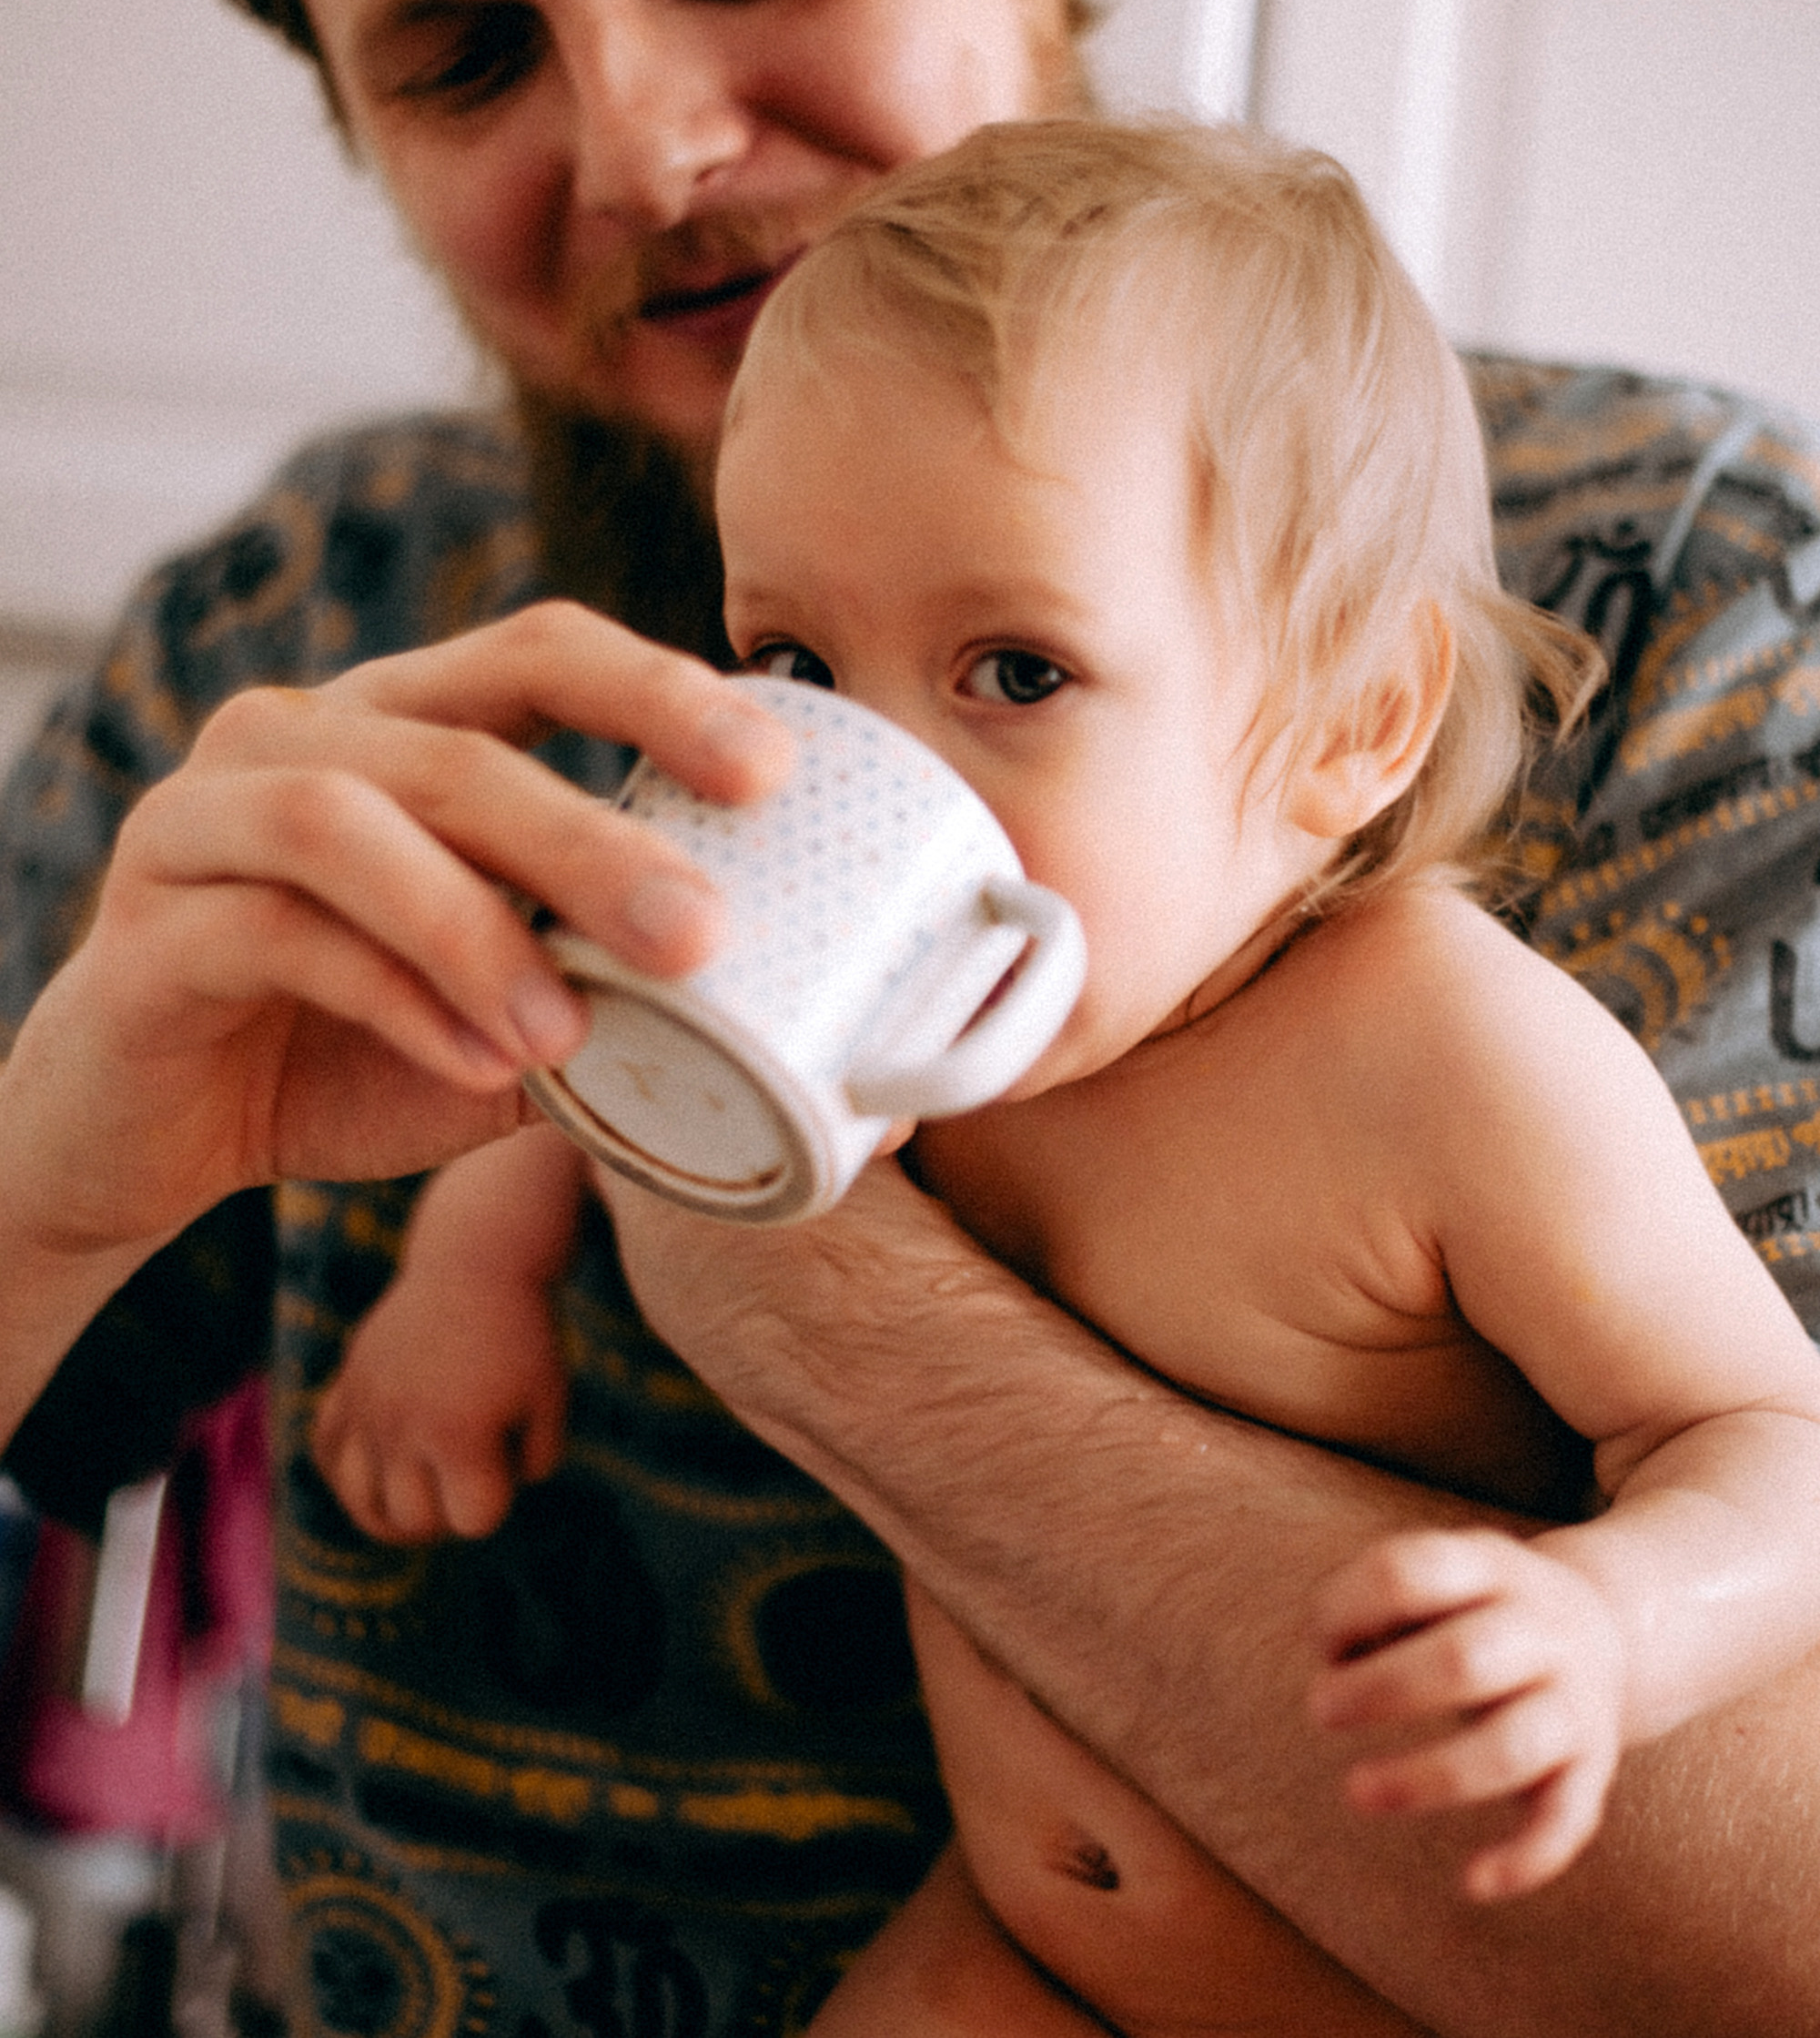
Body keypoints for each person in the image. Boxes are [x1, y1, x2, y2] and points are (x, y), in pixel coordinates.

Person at [4, 0, 1820, 2032]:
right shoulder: (301, 634)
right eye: (467, 54)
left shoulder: (1695, 648)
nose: (649, 150)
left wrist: (804, 1291)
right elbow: (559, 1100)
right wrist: (59, 1196)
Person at [310, 120, 1820, 2037]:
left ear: (1353, 721)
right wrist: (471, 1270)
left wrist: (1614, 1628)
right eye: (794, 657)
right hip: (1016, 1946)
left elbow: (1773, 1447)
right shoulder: (919, 989)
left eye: (1015, 672)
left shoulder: (1444, 1056)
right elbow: (606, 1068)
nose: (866, 776)